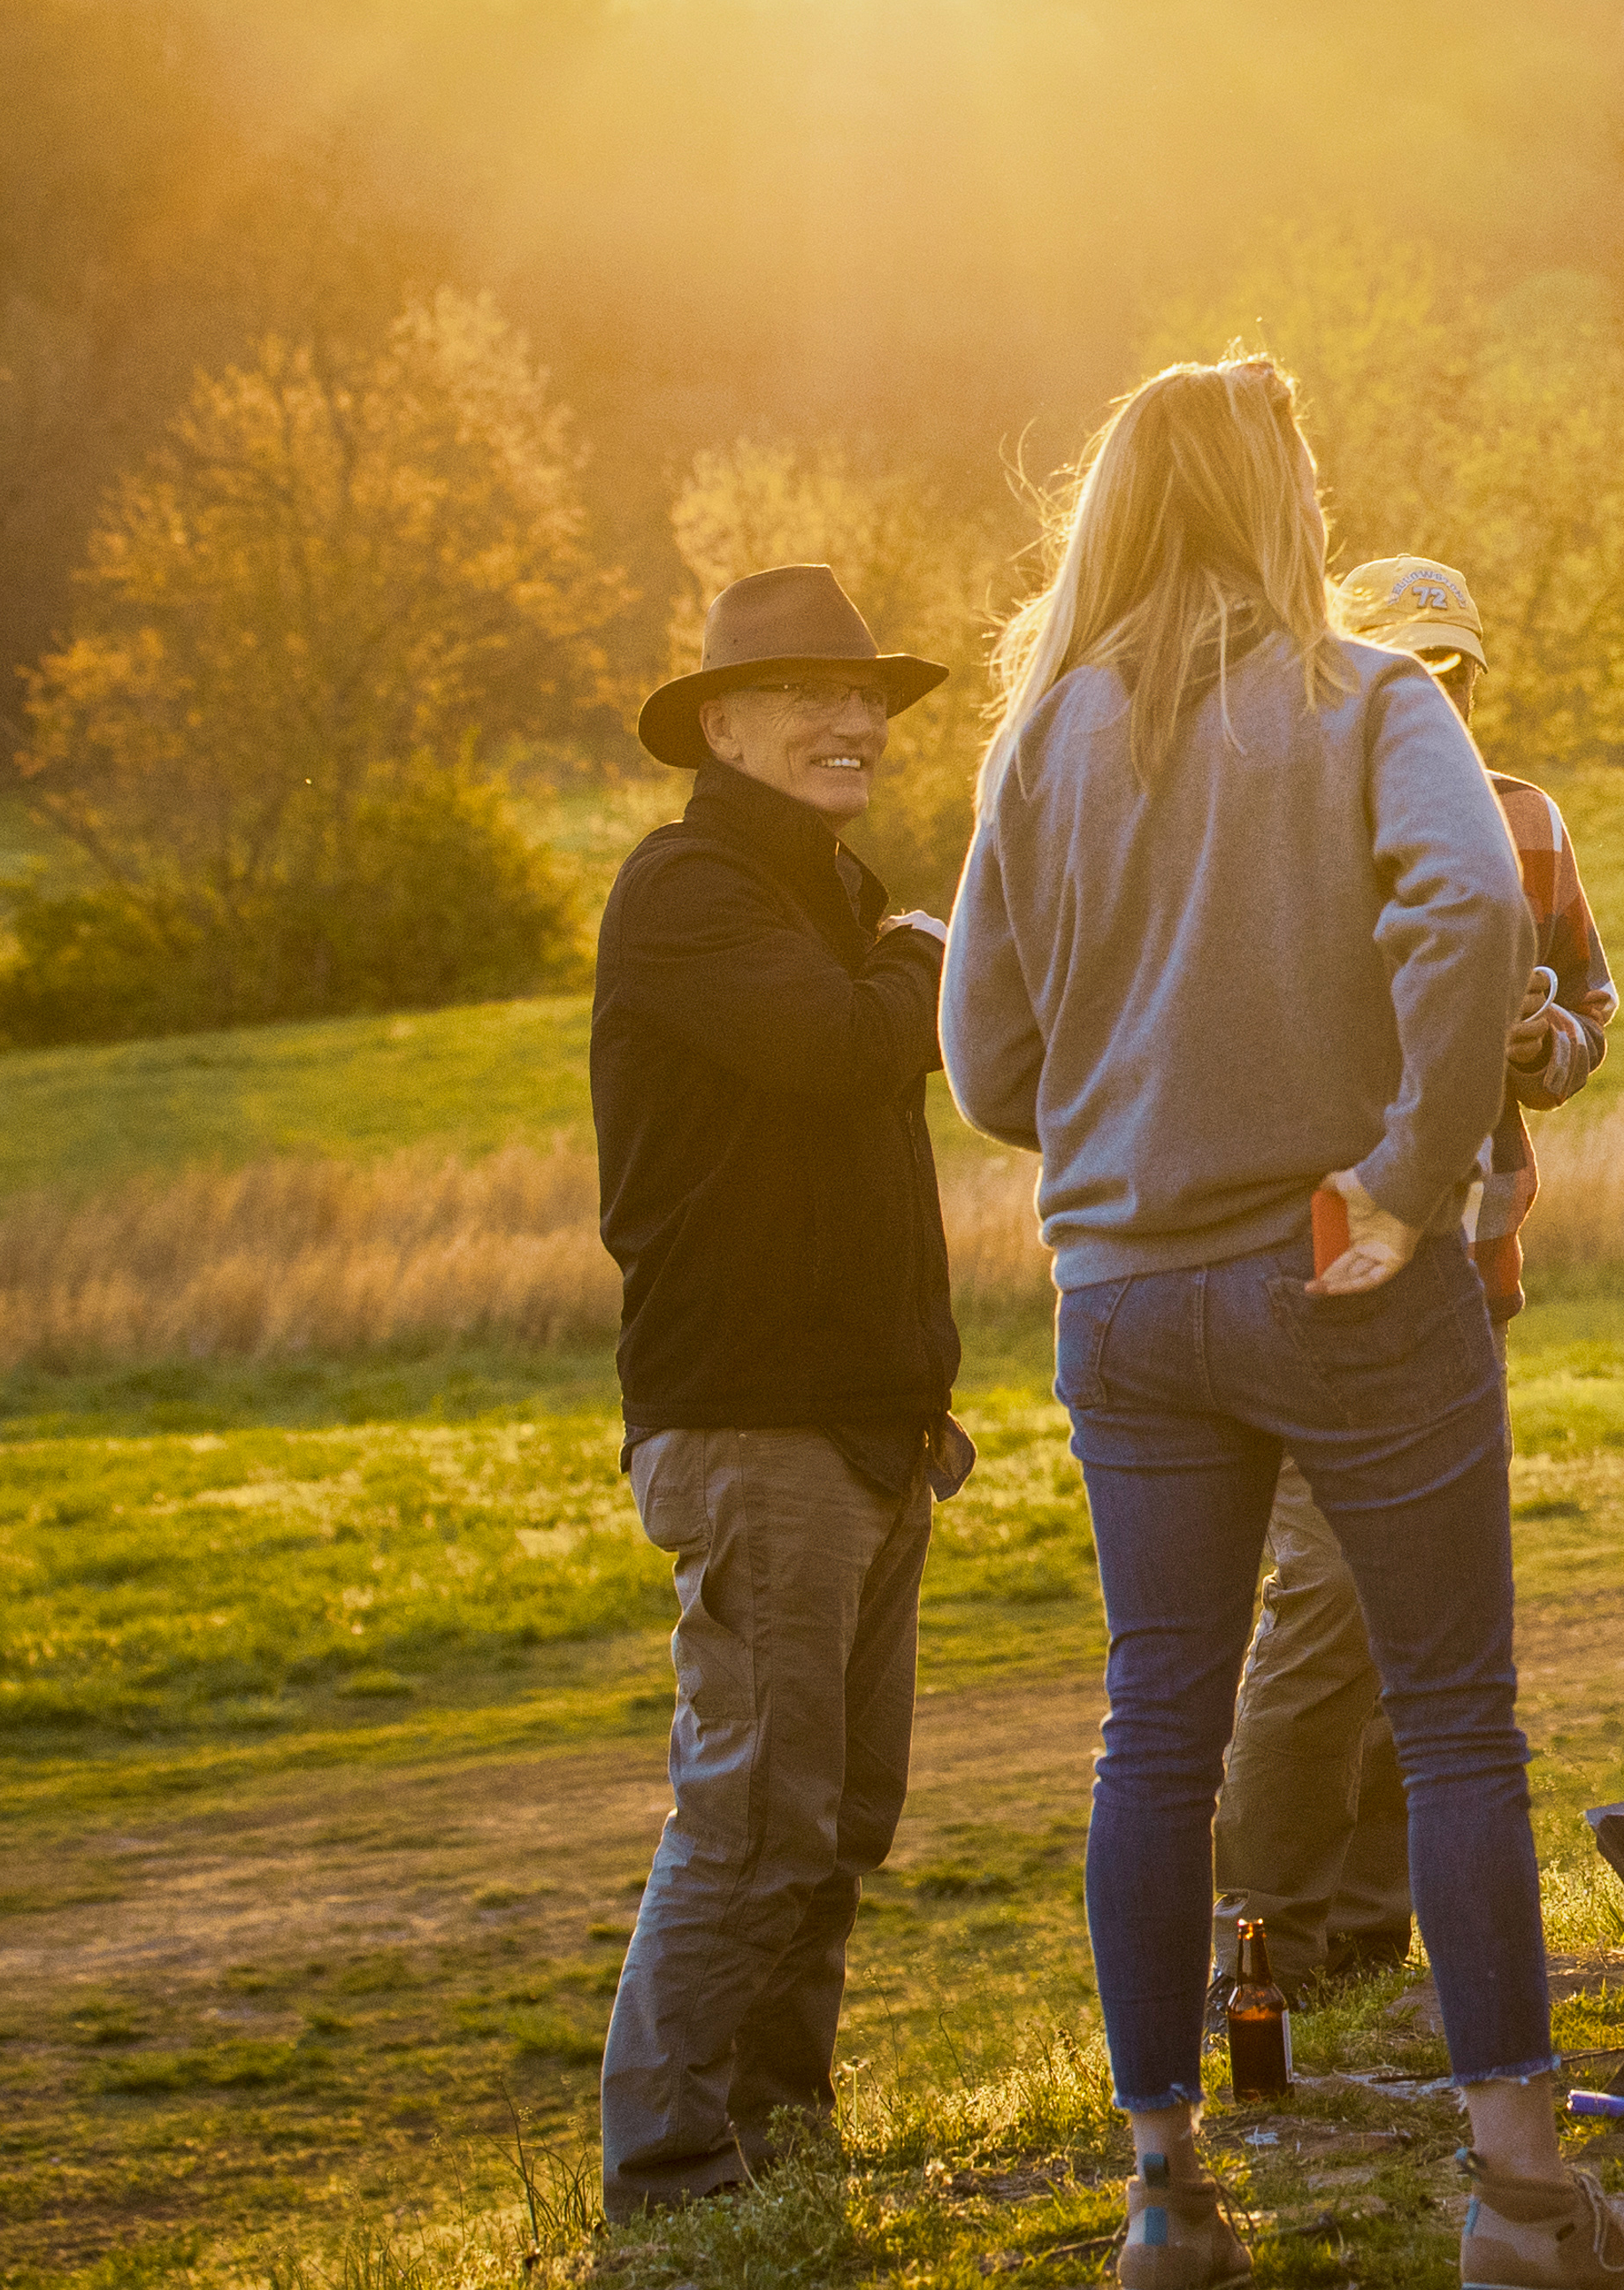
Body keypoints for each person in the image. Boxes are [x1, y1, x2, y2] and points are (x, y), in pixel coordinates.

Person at [944, 364, 1624, 2290]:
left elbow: (985, 1062)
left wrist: (1139, 1127)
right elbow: (1472, 919)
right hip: (1346, 1277)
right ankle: (1525, 2203)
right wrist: (1401, 1175)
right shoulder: (1370, 698)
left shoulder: (1041, 741)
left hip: (1125, 1299)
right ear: (1277, 505)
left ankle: (1164, 2195)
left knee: (1154, 1730)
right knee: (1455, 1725)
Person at [590, 565, 971, 2225]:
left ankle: (780, 2145)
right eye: (811, 693)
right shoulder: (687, 891)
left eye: (867, 694)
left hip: (864, 1432)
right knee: (752, 1820)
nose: (854, 720)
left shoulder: (831, 896)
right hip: (755, 1425)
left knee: (835, 1824)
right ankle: (673, 2186)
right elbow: (839, 1047)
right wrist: (928, 958)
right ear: (722, 726)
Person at [1212, 555, 1620, 2001]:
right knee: (1330, 1607)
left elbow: (1588, 1004)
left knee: (1419, 1610)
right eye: (1405, 668)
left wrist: (1542, 1046)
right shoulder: (1268, 823)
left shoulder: (1526, 821)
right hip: (1314, 1275)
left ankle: (1371, 1941)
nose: (1433, 696)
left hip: (1470, 1272)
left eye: (1453, 672)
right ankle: (1264, 1946)